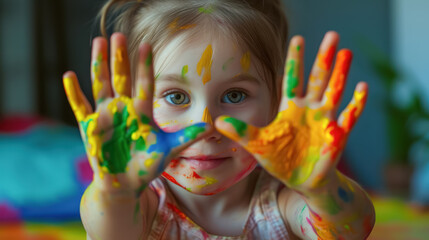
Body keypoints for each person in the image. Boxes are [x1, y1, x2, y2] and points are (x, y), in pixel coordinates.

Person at [63, 0, 375, 239]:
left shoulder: (282, 200)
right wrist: (114, 192)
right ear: (136, 104)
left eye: (235, 95)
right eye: (176, 97)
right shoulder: (139, 204)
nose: (206, 126)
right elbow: (109, 229)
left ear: (276, 103)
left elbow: (349, 230)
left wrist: (322, 189)